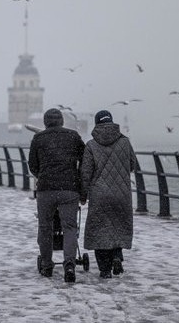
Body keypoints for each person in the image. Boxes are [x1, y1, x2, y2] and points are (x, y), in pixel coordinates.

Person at [28, 108, 85, 283]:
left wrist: (43, 176)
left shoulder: (38, 138)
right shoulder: (73, 136)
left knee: (45, 227)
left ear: (45, 122)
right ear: (62, 121)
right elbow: (84, 159)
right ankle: (69, 264)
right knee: (69, 227)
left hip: (46, 190)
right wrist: (77, 179)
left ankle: (46, 265)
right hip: (69, 189)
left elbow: (32, 165)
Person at [80, 110, 137, 279]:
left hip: (99, 195)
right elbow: (132, 165)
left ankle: (105, 270)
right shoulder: (125, 142)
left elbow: (85, 173)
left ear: (97, 123)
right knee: (117, 227)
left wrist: (83, 195)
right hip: (122, 194)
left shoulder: (91, 145)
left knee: (100, 231)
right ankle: (117, 258)